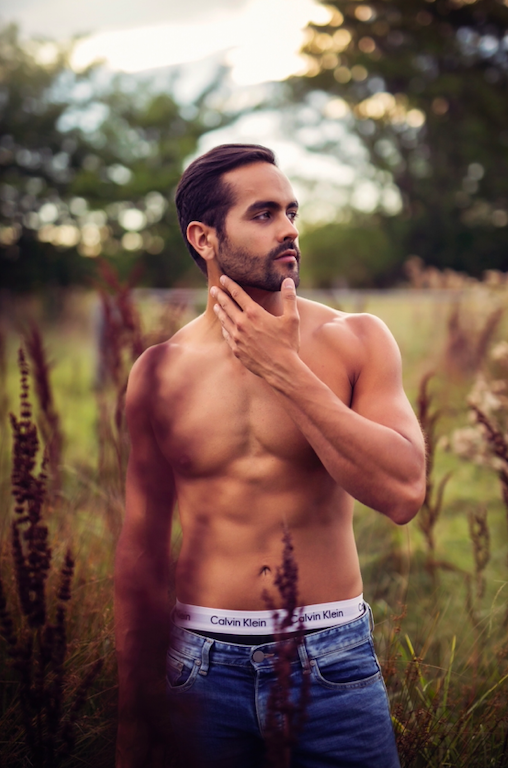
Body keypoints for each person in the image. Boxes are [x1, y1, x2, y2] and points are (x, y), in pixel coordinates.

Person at [115, 143, 426, 768]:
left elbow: (403, 494)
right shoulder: (160, 372)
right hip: (198, 670)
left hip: (331, 662)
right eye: (263, 214)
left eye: (291, 211)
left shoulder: (355, 339)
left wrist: (287, 369)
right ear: (204, 238)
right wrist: (134, 716)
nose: (288, 229)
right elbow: (141, 550)